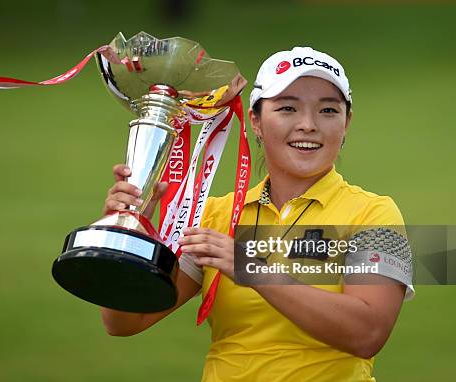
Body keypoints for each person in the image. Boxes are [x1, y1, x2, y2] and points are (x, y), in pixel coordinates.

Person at [100, 46, 414, 382]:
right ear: (256, 121)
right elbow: (124, 322)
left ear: (347, 122)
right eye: (288, 108)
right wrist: (128, 235)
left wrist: (251, 269)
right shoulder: (218, 217)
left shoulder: (375, 214)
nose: (308, 125)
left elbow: (367, 333)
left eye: (327, 110)